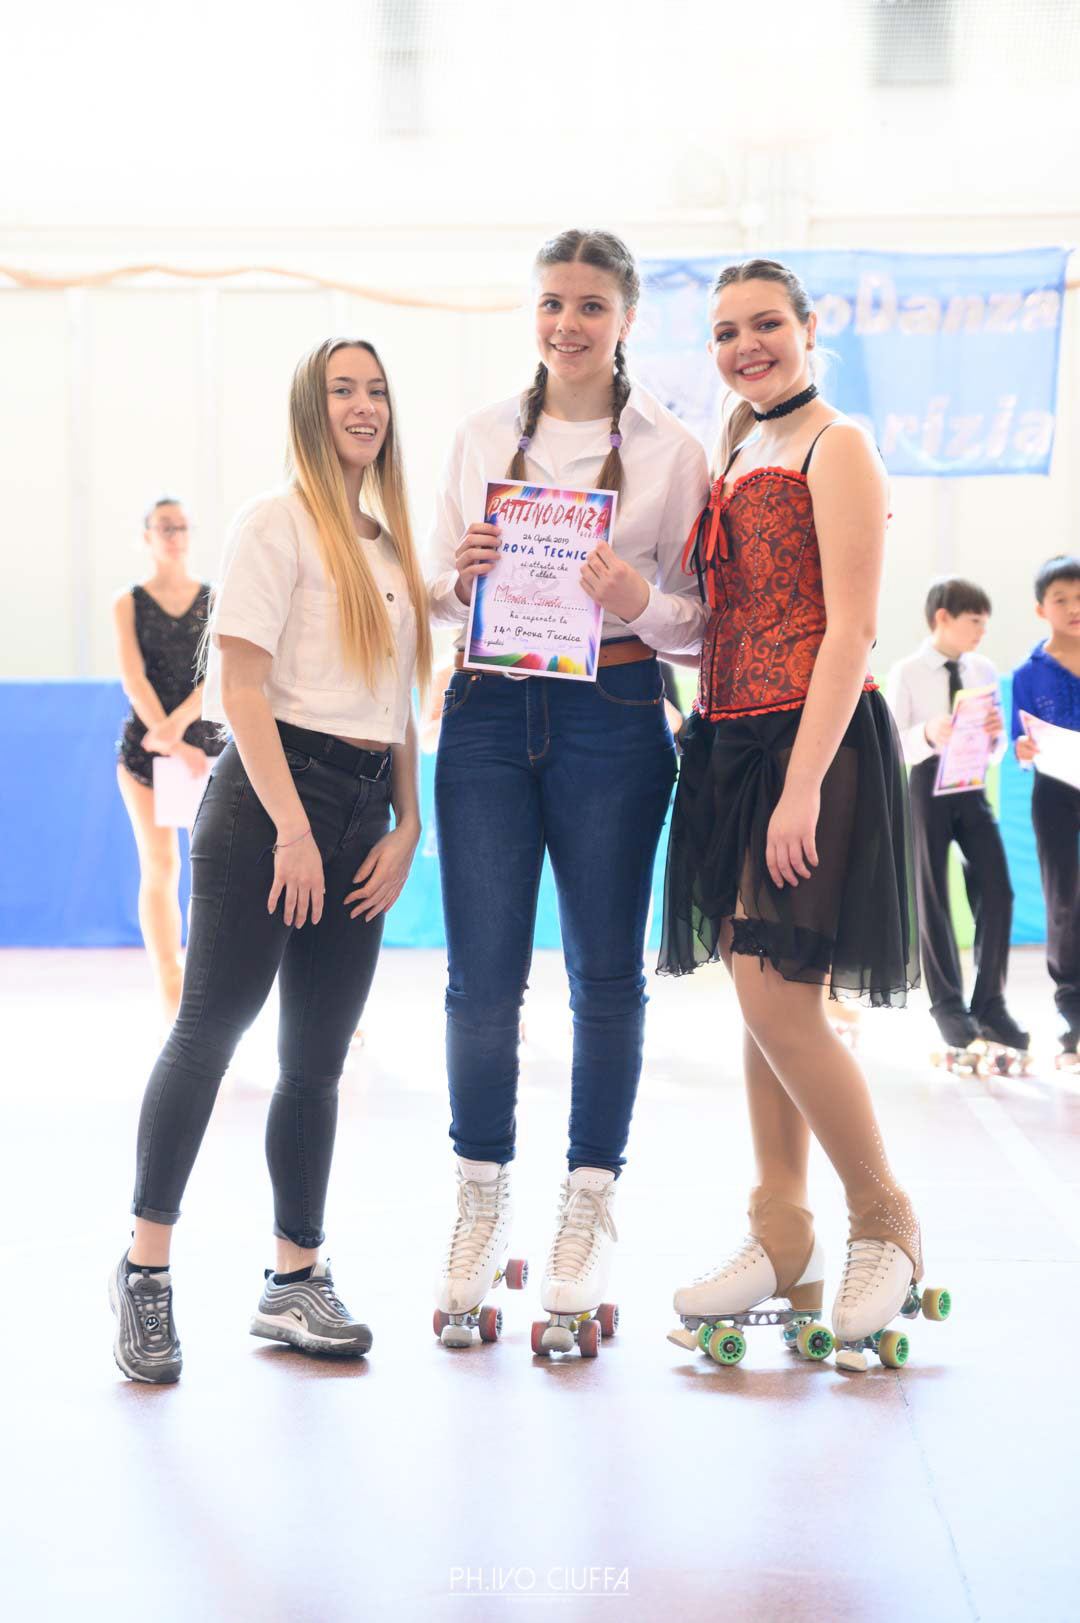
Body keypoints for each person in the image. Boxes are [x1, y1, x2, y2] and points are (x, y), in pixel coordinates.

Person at [109, 337, 432, 1382]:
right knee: (210, 1033)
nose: (364, 405)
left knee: (317, 1061)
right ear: (308, 408)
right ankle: (145, 1272)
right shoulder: (273, 521)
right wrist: (294, 829)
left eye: (376, 390)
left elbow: (397, 703)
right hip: (269, 803)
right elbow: (240, 691)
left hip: (365, 813)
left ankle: (296, 1280)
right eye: (342, 390)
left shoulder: (391, 549)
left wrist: (408, 824)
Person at [427, 228, 709, 1352]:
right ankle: (478, 1196)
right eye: (553, 302)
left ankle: (587, 1203)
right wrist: (462, 577)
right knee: (481, 983)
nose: (569, 323)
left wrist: (637, 597)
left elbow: (698, 626)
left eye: (591, 305)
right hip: (489, 715)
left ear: (627, 318)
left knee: (604, 975)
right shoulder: (480, 434)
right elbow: (435, 591)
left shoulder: (674, 452)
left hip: (616, 715)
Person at [659, 257, 926, 1366]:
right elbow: (719, 615)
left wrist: (804, 781)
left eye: (766, 324)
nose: (747, 346)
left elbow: (851, 629)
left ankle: (884, 1219)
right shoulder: (735, 447)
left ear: (810, 328)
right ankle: (780, 1229)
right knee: (758, 995)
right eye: (727, 331)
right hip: (728, 741)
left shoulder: (836, 445)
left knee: (782, 1000)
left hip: (808, 741)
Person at [887, 577, 1026, 1064]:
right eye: (974, 622)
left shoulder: (982, 669)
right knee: (932, 898)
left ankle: (990, 1005)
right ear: (942, 618)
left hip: (970, 784)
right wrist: (928, 731)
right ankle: (948, 1008)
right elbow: (895, 744)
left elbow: (997, 750)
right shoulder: (907, 671)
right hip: (926, 785)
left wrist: (993, 736)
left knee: (998, 890)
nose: (981, 632)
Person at [113, 498, 225, 1024]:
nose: (175, 535)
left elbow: (218, 674)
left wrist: (178, 730)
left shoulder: (213, 598)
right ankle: (169, 984)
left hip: (206, 749)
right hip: (147, 751)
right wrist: (167, 738)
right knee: (160, 866)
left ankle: (207, 983)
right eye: (165, 528)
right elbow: (133, 677)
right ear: (147, 536)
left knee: (211, 867)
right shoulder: (129, 603)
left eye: (181, 526)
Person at [1013, 555, 1080, 1067]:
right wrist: (1024, 749)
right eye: (1061, 599)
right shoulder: (1027, 673)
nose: (1074, 607)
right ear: (1042, 609)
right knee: (1063, 900)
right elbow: (1020, 741)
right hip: (1054, 791)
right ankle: (1071, 1013)